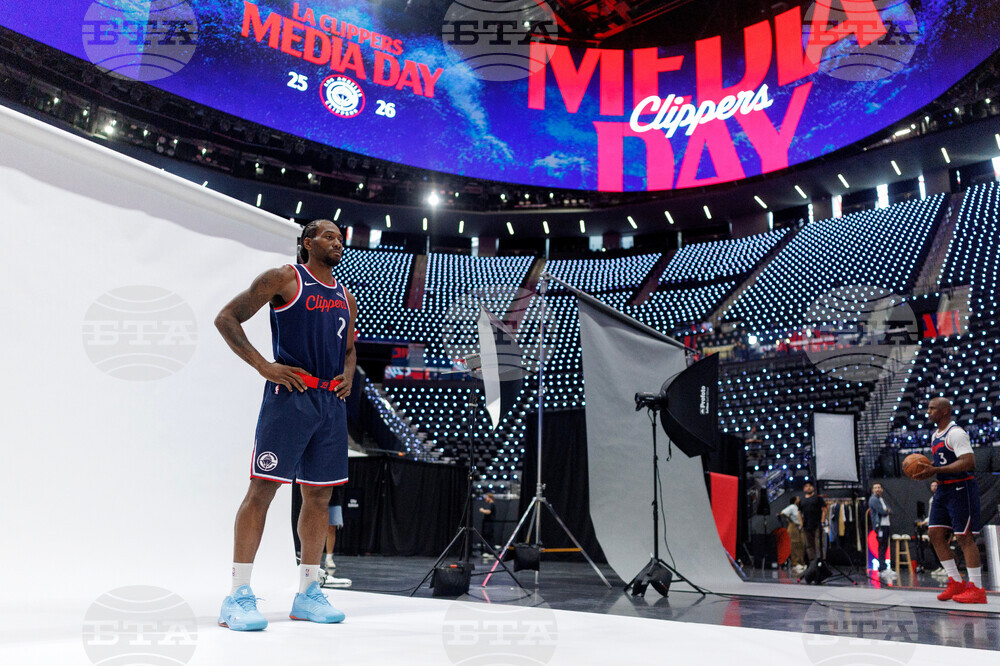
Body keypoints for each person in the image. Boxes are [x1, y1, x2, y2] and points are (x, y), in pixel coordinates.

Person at [216, 219, 358, 630]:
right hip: (290, 398)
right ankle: (237, 595)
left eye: (340, 237)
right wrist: (264, 366)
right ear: (307, 242)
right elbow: (227, 318)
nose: (337, 242)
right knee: (262, 490)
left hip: (330, 404)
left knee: (319, 498)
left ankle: (308, 592)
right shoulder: (284, 278)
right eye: (329, 236)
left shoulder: (345, 296)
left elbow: (350, 349)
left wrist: (349, 376)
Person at [912, 397, 986, 604]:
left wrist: (936, 469)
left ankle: (977, 588)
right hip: (943, 489)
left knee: (964, 537)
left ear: (945, 411)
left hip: (961, 488)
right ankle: (956, 581)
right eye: (928, 408)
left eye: (932, 408)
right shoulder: (935, 435)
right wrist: (927, 469)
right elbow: (943, 461)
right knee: (934, 534)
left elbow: (968, 462)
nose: (928, 412)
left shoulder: (956, 433)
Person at [868, 483, 895, 580]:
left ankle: (884, 568)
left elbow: (891, 511)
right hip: (880, 526)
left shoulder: (882, 499)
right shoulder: (873, 499)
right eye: (875, 488)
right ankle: (882, 569)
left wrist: (887, 510)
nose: (877, 489)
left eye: (879, 487)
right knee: (882, 547)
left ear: (882, 489)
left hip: (886, 525)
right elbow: (883, 512)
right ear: (872, 490)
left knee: (884, 546)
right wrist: (886, 511)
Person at [799, 482, 827, 563]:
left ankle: (822, 561)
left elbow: (824, 510)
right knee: (809, 545)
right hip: (806, 525)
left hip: (817, 524)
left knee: (819, 544)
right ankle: (813, 562)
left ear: (813, 488)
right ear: (804, 489)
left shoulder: (818, 498)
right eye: (806, 486)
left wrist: (822, 521)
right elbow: (799, 512)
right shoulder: (802, 500)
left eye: (810, 486)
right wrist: (801, 523)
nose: (808, 488)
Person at [780, 496, 805, 572]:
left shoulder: (798, 508)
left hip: (799, 527)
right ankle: (795, 563)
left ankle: (801, 562)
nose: (799, 499)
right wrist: (790, 519)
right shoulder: (792, 507)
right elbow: (783, 512)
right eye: (798, 498)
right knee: (794, 544)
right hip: (793, 527)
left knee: (801, 544)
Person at [479, 493, 496, 557]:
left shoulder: (492, 504)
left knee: (488, 537)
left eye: (486, 497)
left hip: (489, 524)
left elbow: (488, 512)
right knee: (488, 537)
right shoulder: (491, 504)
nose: (485, 499)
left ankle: (489, 552)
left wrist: (482, 510)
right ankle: (489, 551)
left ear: (490, 498)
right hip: (488, 523)